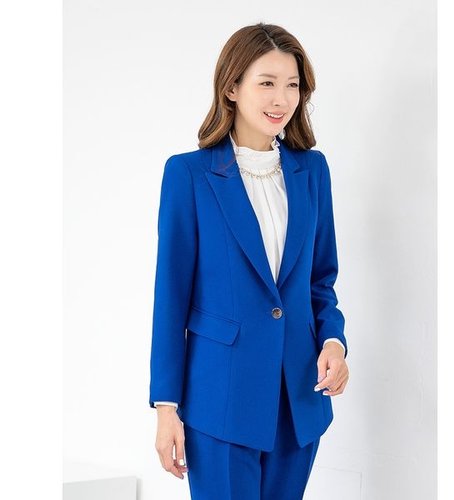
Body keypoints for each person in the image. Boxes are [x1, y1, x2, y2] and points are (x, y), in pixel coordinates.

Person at [149, 22, 350, 499]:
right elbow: (171, 297)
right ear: (232, 87)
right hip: (221, 400)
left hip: (299, 399)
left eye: (292, 85)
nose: (281, 99)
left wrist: (334, 342)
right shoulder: (189, 175)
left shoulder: (311, 171)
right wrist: (166, 406)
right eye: (267, 83)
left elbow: (320, 280)